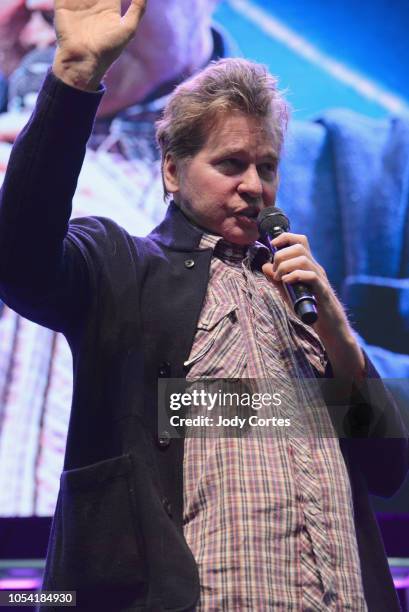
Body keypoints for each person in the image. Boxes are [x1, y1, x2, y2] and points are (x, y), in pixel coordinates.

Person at [0, 1, 408, 611]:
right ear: (173, 170)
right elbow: (23, 264)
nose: (253, 186)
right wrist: (75, 75)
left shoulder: (364, 177)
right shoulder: (124, 261)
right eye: (229, 165)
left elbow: (388, 469)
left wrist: (340, 340)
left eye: (265, 167)